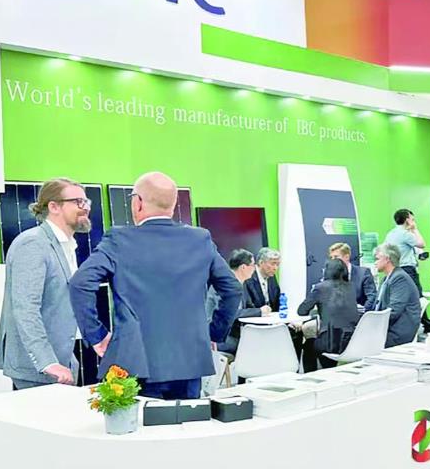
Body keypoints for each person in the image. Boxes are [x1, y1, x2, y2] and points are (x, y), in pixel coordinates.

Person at [69, 171, 241, 400]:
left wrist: (97, 335)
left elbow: (80, 284)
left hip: (134, 363)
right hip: (189, 360)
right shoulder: (200, 239)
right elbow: (232, 289)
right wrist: (213, 332)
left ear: (138, 203)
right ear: (173, 204)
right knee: (186, 422)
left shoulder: (119, 240)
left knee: (135, 422)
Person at [0, 178, 90, 390]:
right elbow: (25, 308)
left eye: (86, 202)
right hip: (37, 369)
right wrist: (47, 362)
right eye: (77, 202)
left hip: (63, 362)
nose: (85, 208)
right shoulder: (33, 244)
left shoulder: (67, 245)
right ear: (54, 206)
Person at [298, 259, 362, 364]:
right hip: (350, 342)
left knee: (308, 345)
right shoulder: (351, 287)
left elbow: (302, 311)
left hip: (330, 342)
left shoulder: (320, 288)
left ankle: (312, 373)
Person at [385, 208, 430, 333]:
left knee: (402, 298)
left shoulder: (391, 233)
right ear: (407, 220)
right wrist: (415, 229)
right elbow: (422, 243)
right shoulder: (405, 234)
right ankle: (428, 325)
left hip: (395, 269)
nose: (413, 221)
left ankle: (425, 323)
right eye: (412, 219)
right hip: (408, 270)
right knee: (418, 297)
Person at [206, 249, 262, 355]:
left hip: (233, 331)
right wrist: (259, 311)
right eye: (253, 265)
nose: (255, 268)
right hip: (217, 335)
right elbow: (231, 313)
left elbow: (248, 306)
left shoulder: (241, 284)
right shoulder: (224, 285)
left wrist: (259, 311)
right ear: (243, 267)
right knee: (251, 343)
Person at [373, 243, 421, 347]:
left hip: (398, 331)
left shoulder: (400, 278)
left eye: (377, 259)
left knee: (360, 340)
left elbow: (394, 311)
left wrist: (373, 322)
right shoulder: (386, 279)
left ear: (387, 259)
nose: (375, 262)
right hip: (387, 327)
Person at [328, 242, 377, 309]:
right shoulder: (331, 276)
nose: (333, 260)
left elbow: (372, 297)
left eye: (336, 257)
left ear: (347, 257)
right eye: (331, 257)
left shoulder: (363, 273)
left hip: (360, 313)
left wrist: (363, 311)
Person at [245, 247, 281, 313]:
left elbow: (277, 303)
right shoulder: (248, 276)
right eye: (273, 264)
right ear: (261, 262)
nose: (275, 268)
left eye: (277, 264)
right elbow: (248, 307)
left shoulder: (271, 276)